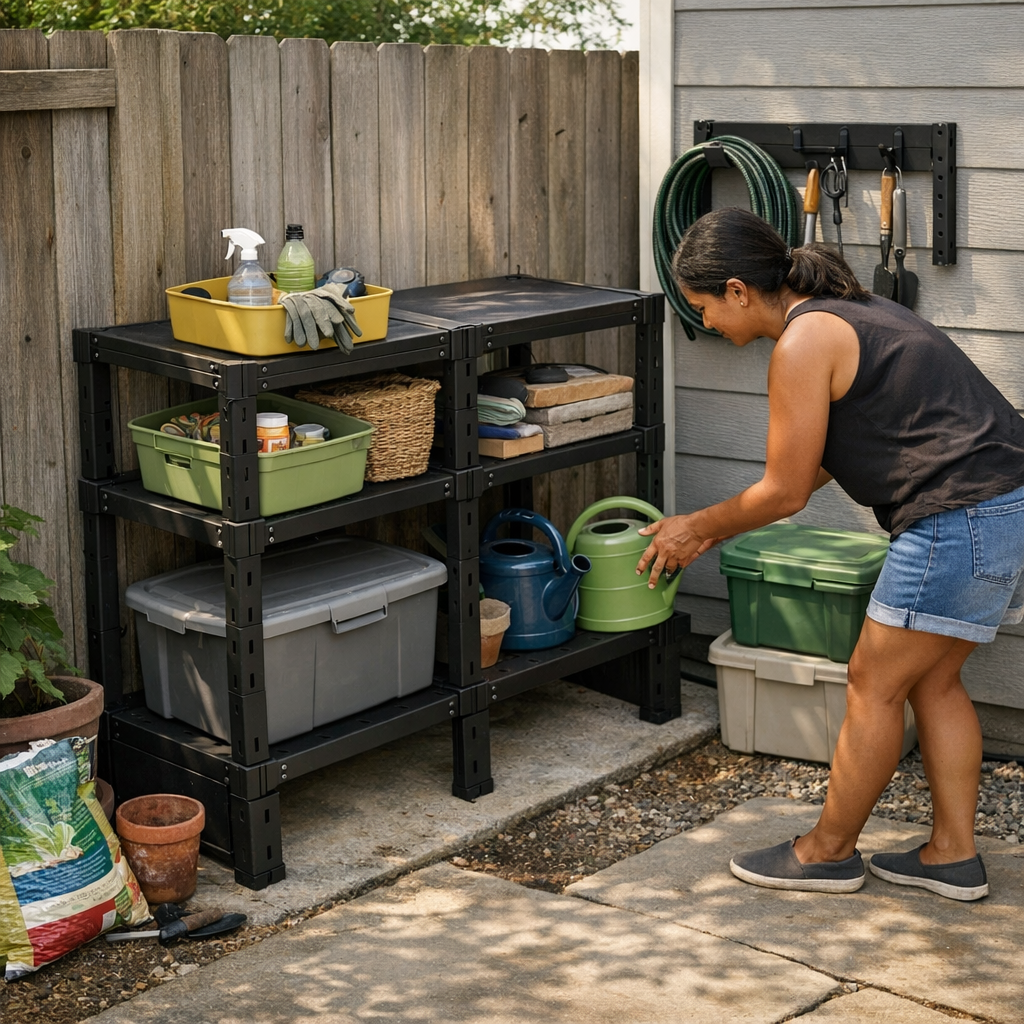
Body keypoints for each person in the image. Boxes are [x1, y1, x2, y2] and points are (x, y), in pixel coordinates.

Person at [637, 207, 1024, 901]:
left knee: (872, 683)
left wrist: (694, 527)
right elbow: (812, 466)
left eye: (702, 308)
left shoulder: (804, 341)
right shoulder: (845, 313)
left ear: (736, 291)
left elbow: (784, 491)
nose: (705, 324)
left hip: (956, 515)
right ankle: (951, 856)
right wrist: (720, 527)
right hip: (1000, 507)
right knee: (933, 681)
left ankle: (825, 853)